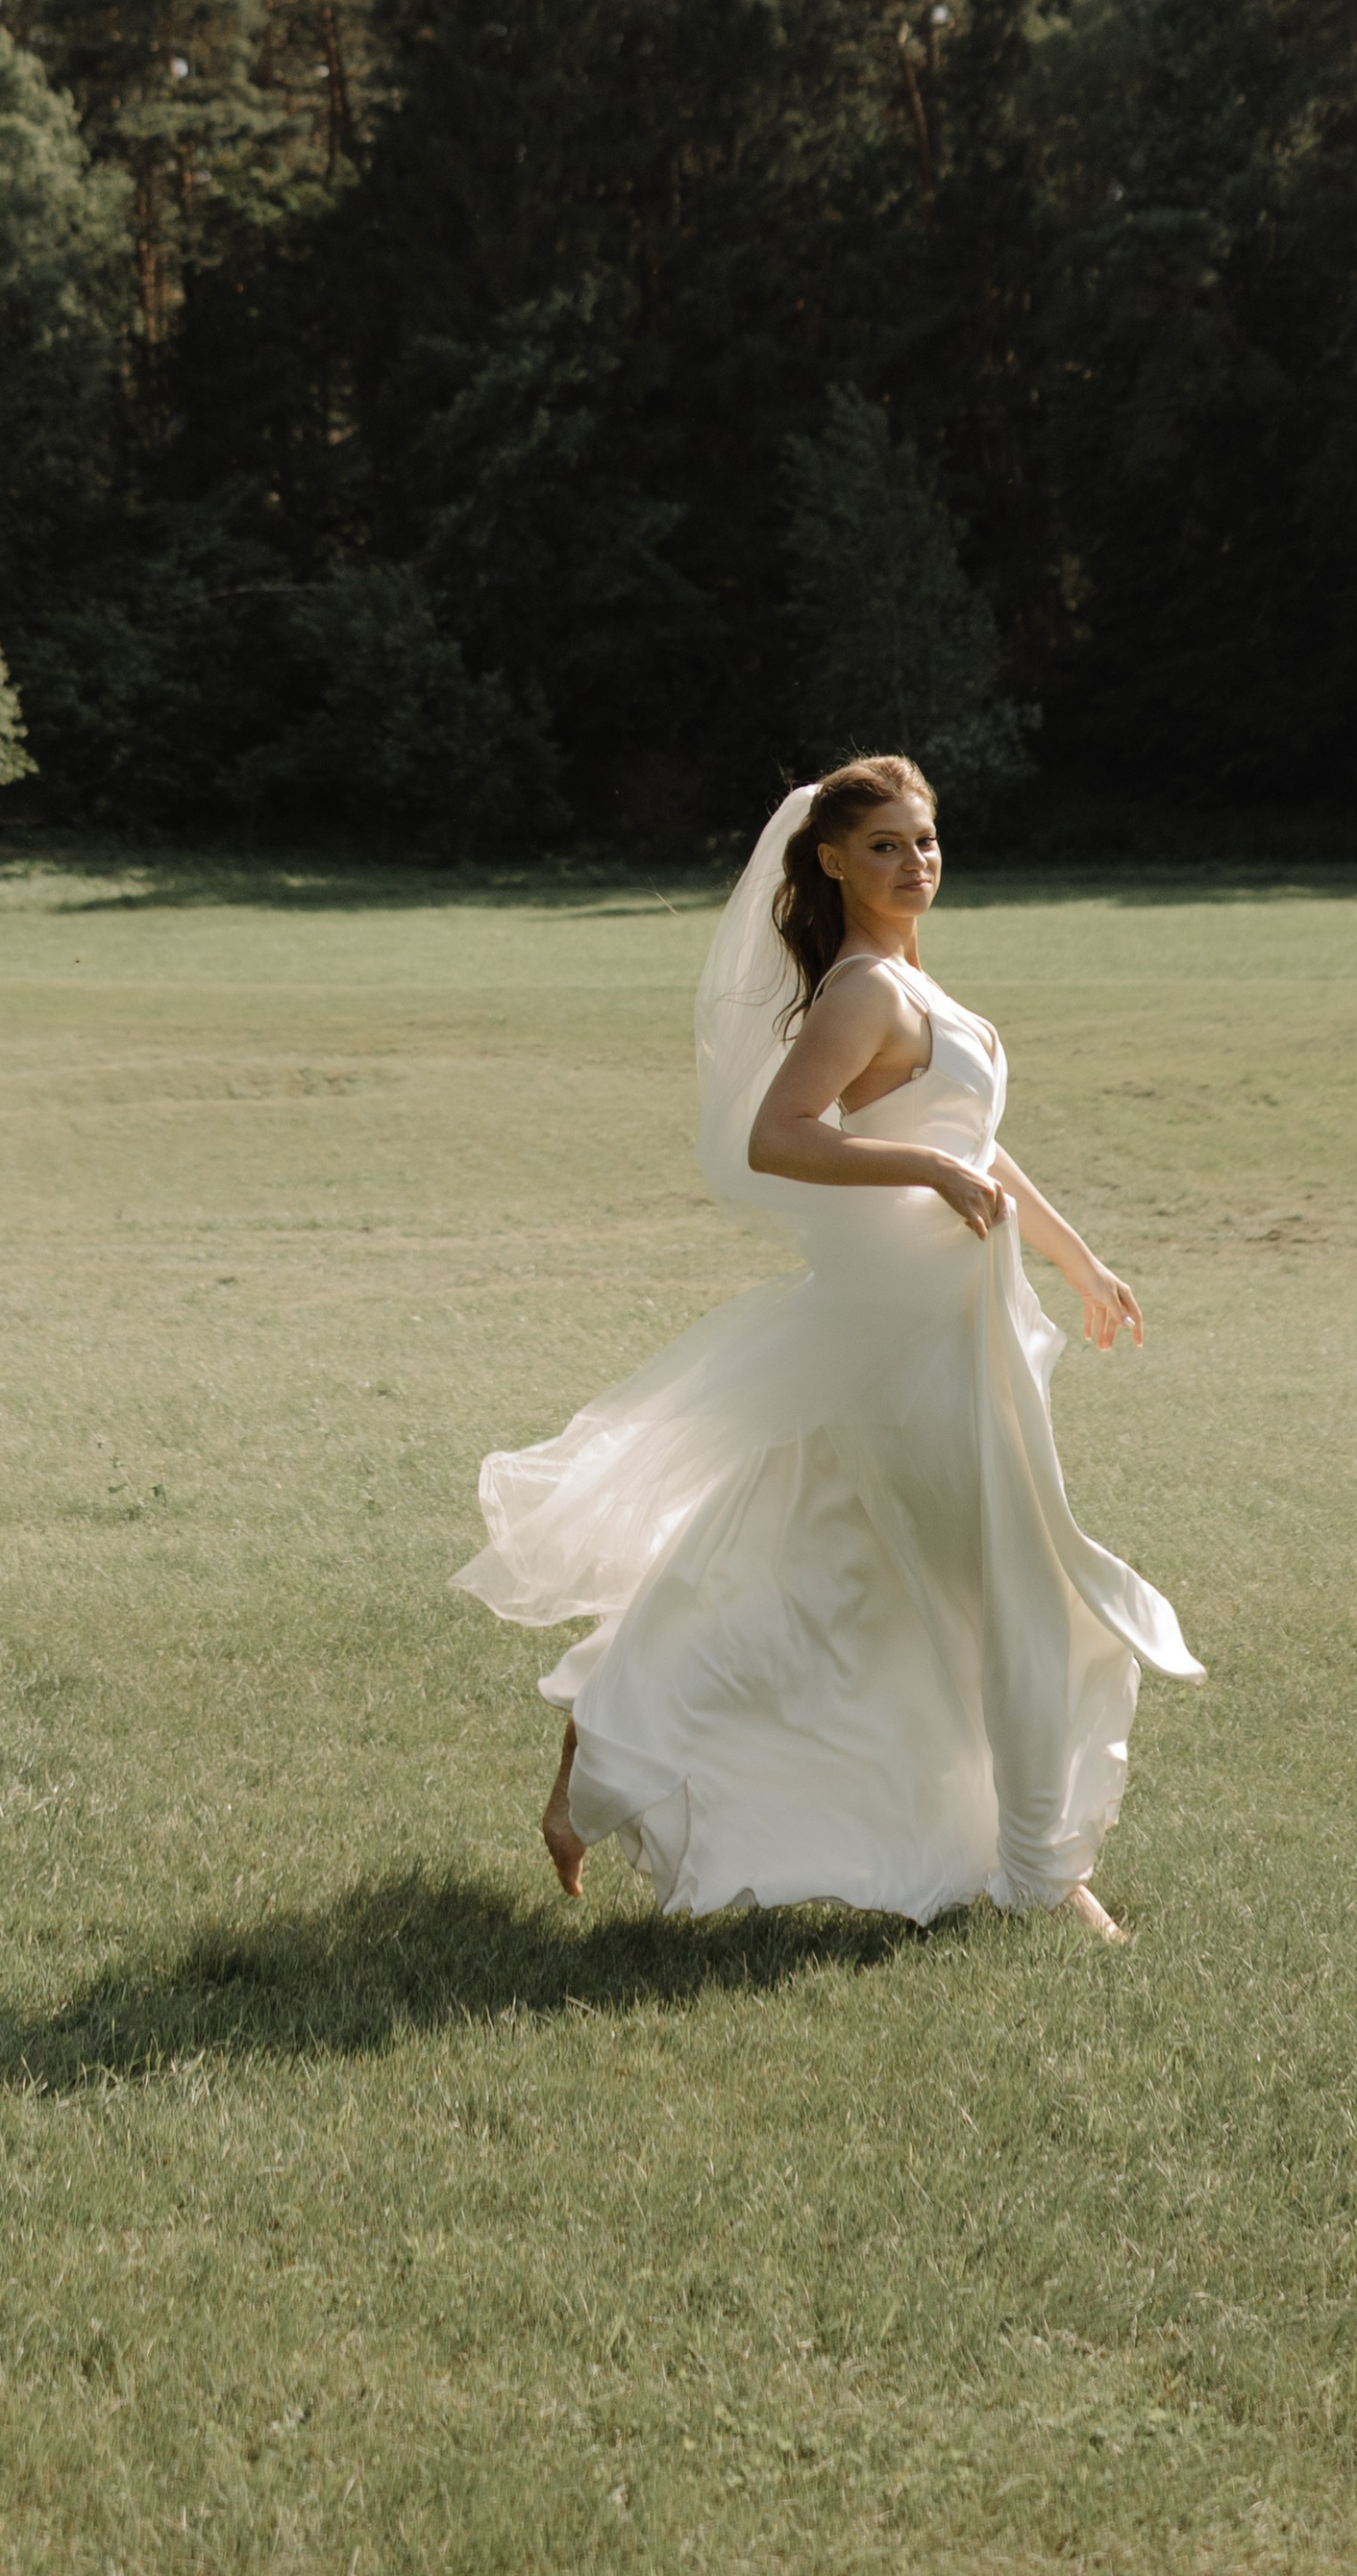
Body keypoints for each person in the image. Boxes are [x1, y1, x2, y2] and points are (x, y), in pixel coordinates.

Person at [453, 755, 1200, 1938]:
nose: (917, 863)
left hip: (961, 1327)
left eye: (928, 840)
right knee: (1009, 1592)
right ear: (834, 863)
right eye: (890, 846)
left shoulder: (916, 981)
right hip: (902, 1342)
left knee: (817, 1562)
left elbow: (980, 1143)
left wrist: (1077, 1258)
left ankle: (607, 1742)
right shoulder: (861, 992)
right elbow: (779, 1136)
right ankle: (1042, 1883)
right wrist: (922, 1167)